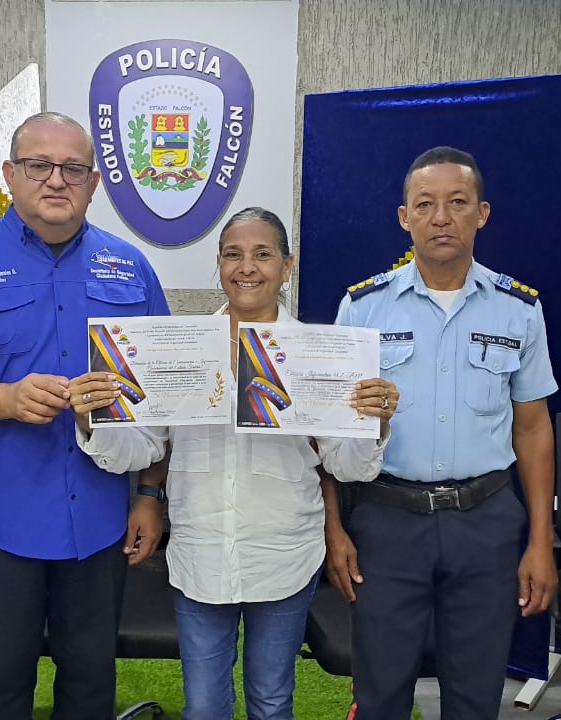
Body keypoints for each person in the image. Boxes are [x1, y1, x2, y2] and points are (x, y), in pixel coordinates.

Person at [0, 111, 171, 719]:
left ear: (94, 182)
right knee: (2, 689)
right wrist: (6, 399)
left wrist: (150, 495)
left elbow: (164, 399)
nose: (56, 180)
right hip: (1, 521)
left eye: (73, 168)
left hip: (100, 518)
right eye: (39, 165)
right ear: (10, 175)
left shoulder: (131, 268)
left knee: (91, 687)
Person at [70, 207, 398, 720]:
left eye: (262, 254)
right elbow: (144, 450)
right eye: (233, 255)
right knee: (204, 707)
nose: (247, 267)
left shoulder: (319, 353)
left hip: (284, 554)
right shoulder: (181, 348)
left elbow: (347, 466)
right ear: (219, 264)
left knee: (271, 702)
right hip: (201, 552)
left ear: (287, 266)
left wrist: (373, 423)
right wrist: (93, 420)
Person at [328, 146, 559, 719]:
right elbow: (329, 433)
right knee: (380, 692)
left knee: (476, 695)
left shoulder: (518, 309)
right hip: (387, 519)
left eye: (457, 203)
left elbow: (533, 430)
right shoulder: (363, 308)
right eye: (425, 204)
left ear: (482, 213)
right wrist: (334, 529)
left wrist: (540, 540)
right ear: (404, 217)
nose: (441, 218)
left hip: (486, 521)